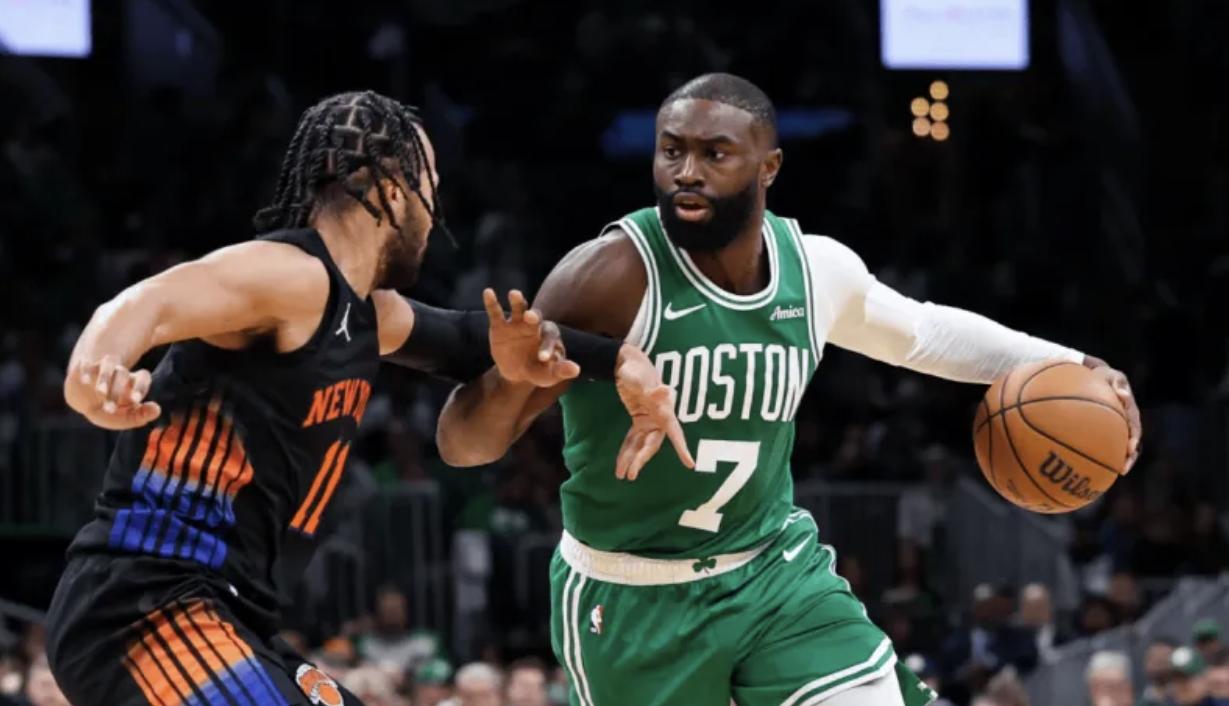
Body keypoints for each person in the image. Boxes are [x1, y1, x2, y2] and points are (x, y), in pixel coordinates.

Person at [435, 73, 1143, 706]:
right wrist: (509, 379)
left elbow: (923, 334)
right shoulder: (609, 275)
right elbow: (466, 445)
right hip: (632, 596)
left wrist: (1074, 363)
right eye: (671, 151)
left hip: (773, 574)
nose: (686, 172)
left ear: (768, 166)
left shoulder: (814, 270)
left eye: (714, 154)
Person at [44, 90, 680, 706]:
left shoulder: (368, 315)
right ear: (394, 192)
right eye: (431, 184)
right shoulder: (290, 276)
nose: (436, 212)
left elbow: (470, 340)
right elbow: (148, 302)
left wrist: (619, 361)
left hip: (229, 616)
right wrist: (95, 371)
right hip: (144, 606)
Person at [1139, 637, 1177, 706]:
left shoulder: (1185, 698)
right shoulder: (1135, 698)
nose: (1158, 665)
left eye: (1163, 660)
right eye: (1152, 658)